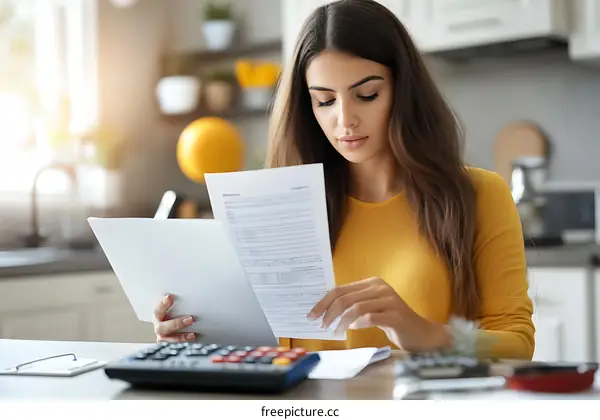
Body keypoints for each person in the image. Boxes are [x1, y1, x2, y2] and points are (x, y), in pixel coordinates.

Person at [153, 0, 535, 360]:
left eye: (366, 94)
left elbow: (516, 344)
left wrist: (425, 334)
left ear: (404, 91)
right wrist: (193, 334)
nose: (345, 119)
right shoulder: (276, 208)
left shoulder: (478, 195)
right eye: (324, 100)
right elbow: (263, 347)